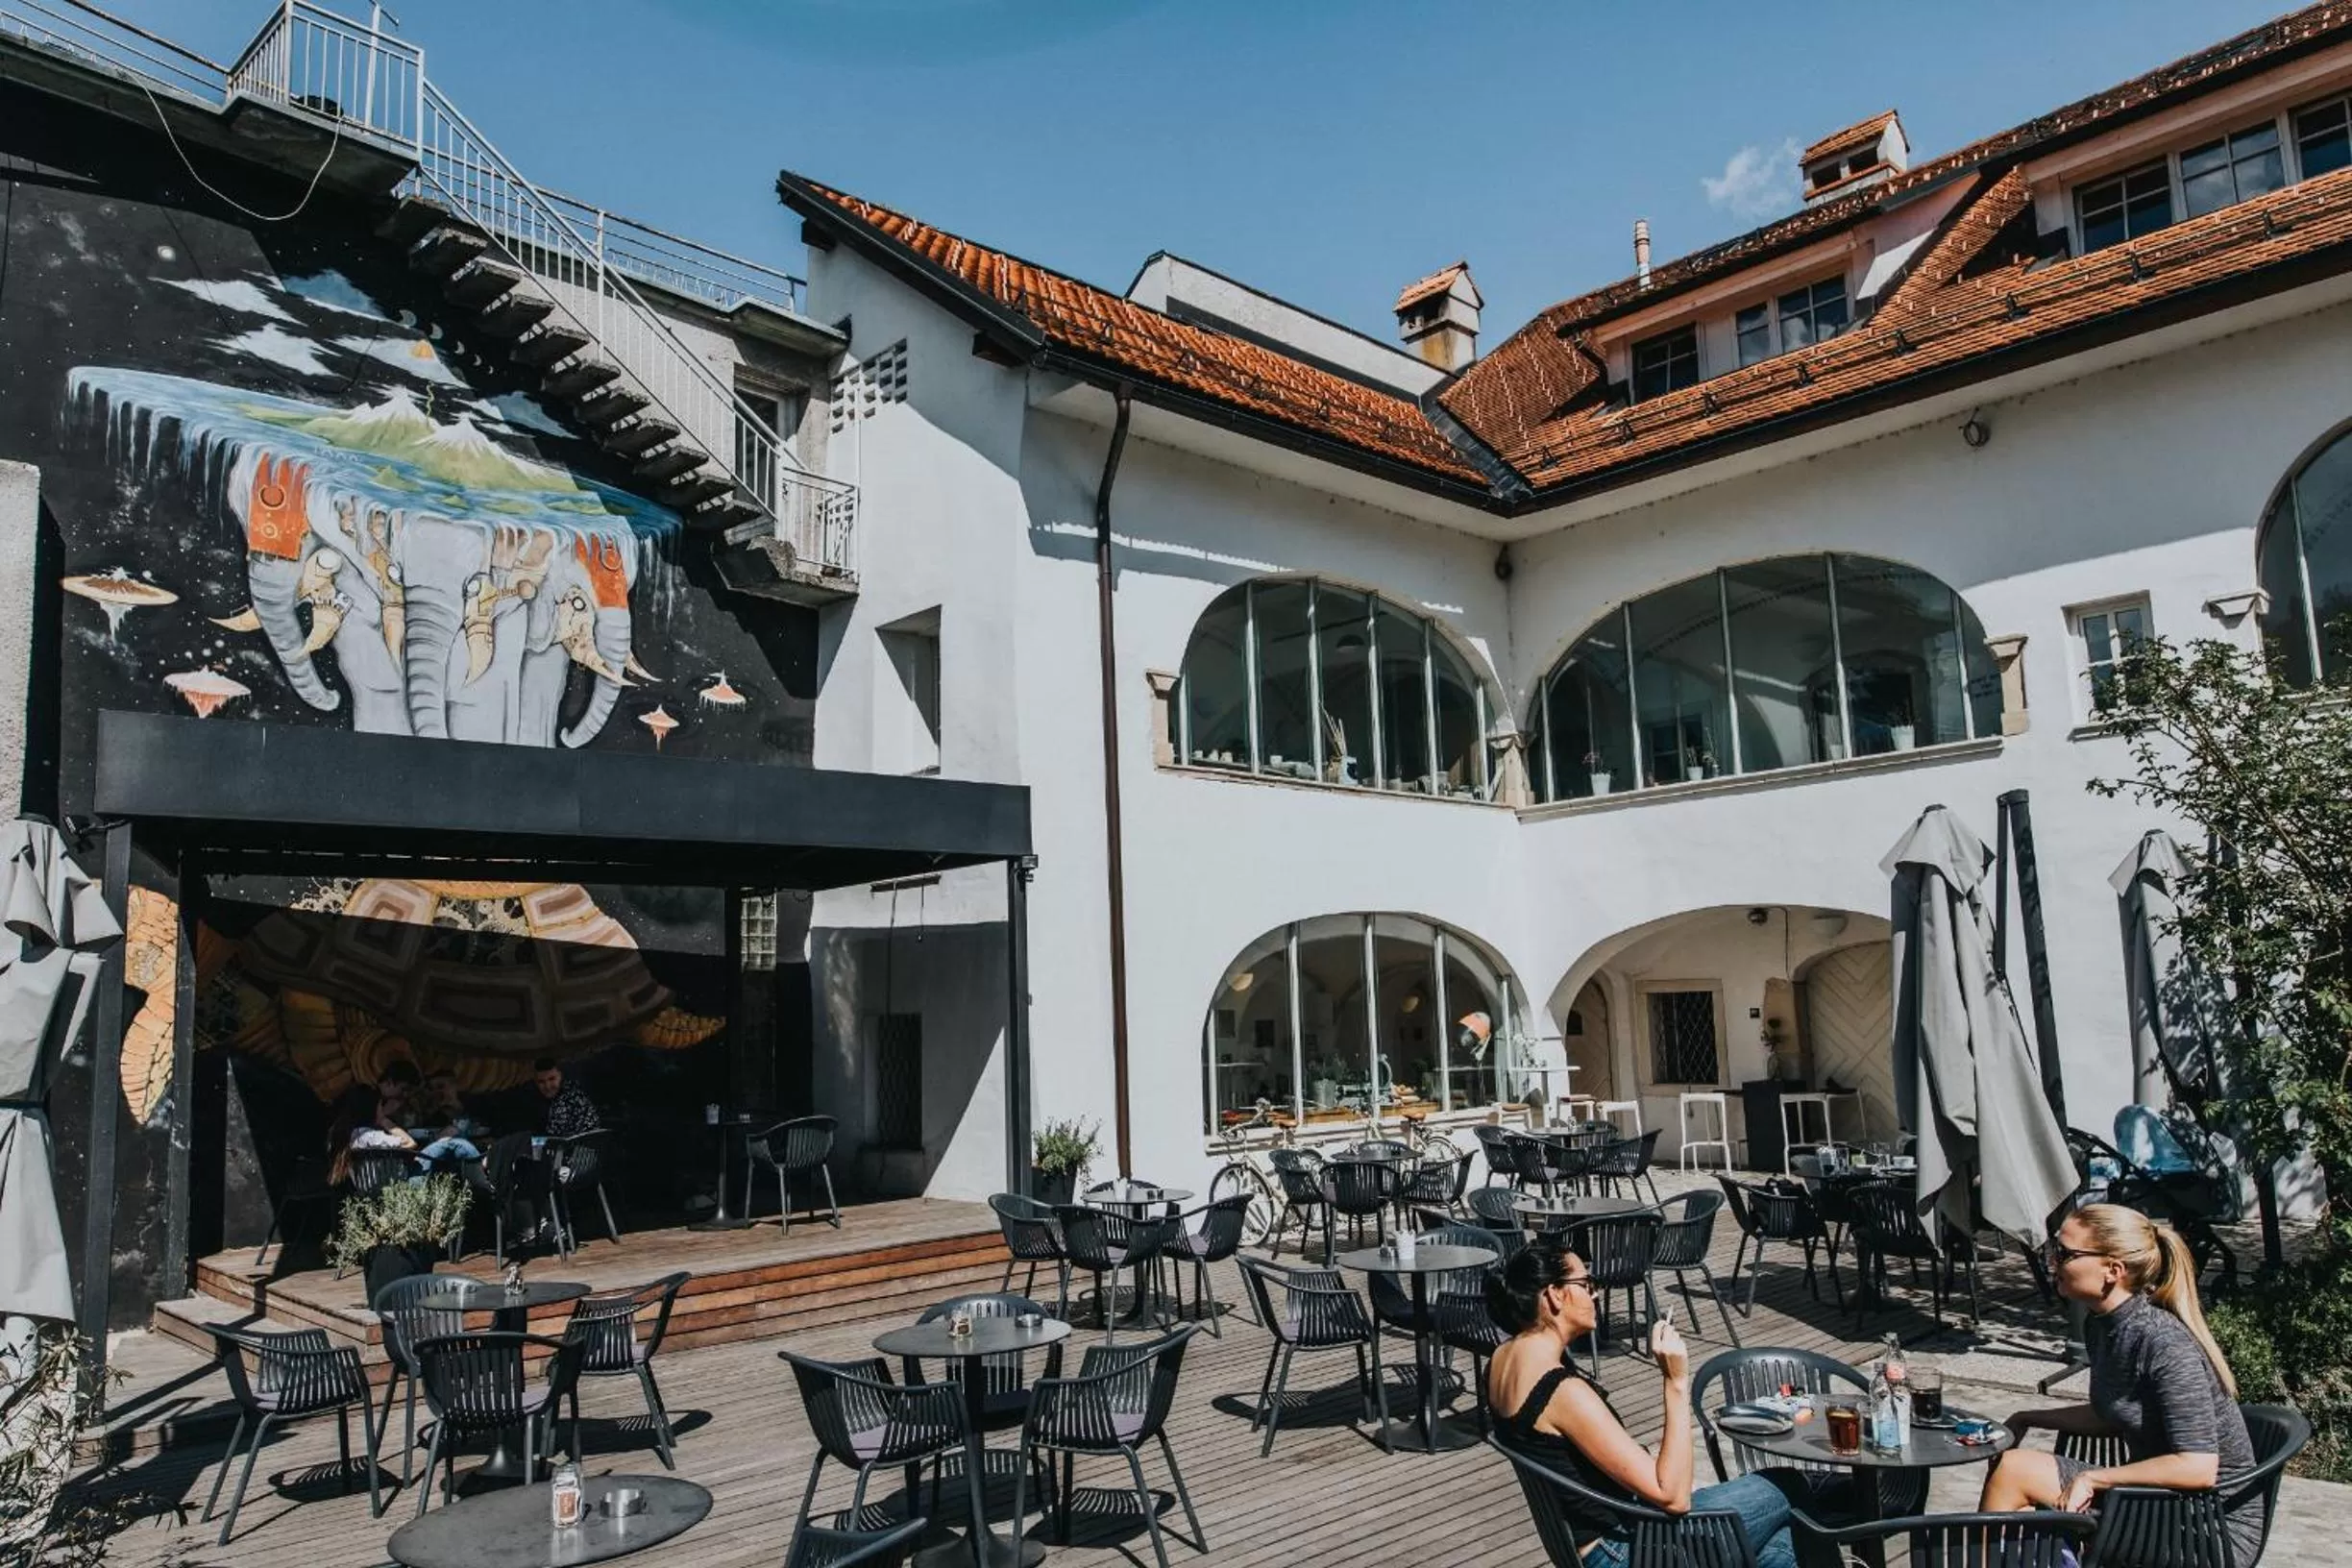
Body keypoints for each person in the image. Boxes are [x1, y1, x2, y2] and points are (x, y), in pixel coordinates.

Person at [1485, 1234, 1809, 1568]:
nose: (1595, 1294)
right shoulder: (1563, 1392)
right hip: (1624, 1552)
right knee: (1791, 1484)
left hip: (1594, 1542)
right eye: (1586, 1284)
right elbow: (1674, 1497)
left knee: (1782, 1544)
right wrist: (1675, 1381)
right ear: (1555, 1295)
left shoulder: (1502, 1358)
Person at [1982, 1203, 2261, 1565]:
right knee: (2011, 1472)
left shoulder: (2163, 1343)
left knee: (2014, 1473)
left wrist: (2095, 1479)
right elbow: (2114, 1413)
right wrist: (2029, 1417)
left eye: (2064, 1254)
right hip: (2152, 1501)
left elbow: (2198, 1467)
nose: (2052, 1262)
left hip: (2207, 1527)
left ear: (2113, 1270)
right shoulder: (2102, 1325)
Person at [534, 1057, 601, 1139]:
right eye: (541, 1082)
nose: (547, 1086)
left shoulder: (573, 1096)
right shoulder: (535, 1100)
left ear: (560, 1076)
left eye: (552, 1079)